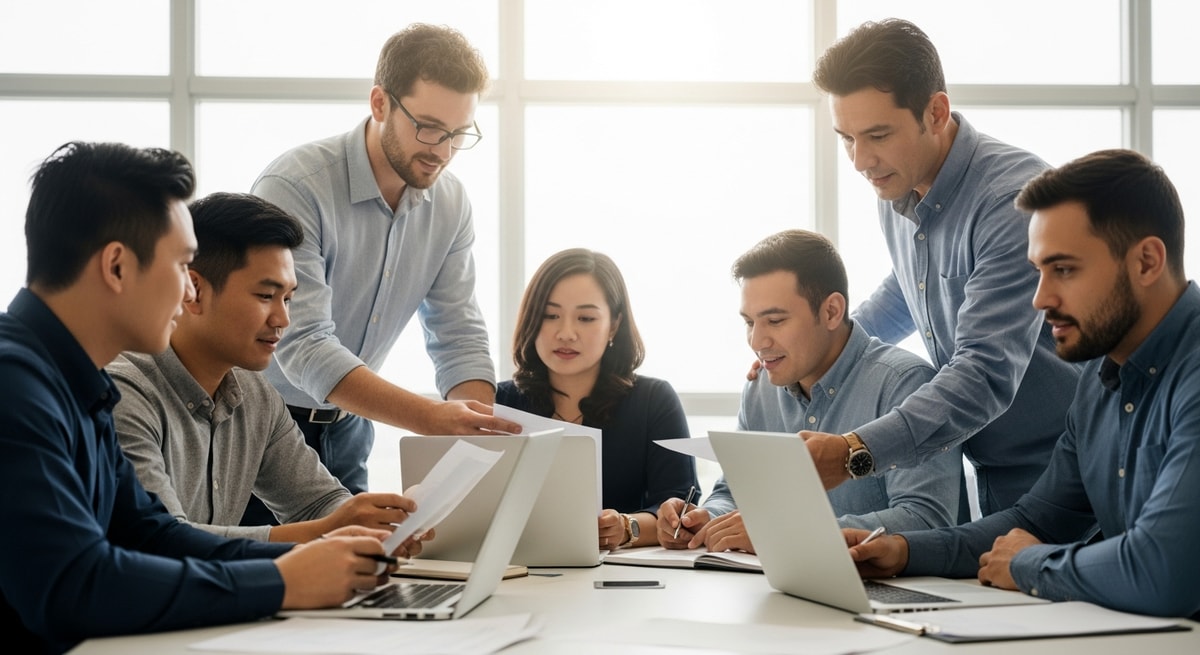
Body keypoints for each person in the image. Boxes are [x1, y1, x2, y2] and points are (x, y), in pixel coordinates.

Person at [0, 142, 397, 653]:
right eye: (182, 267)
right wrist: (284, 582)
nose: (190, 293)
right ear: (117, 266)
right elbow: (74, 586)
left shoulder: (75, 380)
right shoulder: (15, 386)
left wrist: (306, 562)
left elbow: (151, 534)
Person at [847, 149, 1200, 619]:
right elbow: (1035, 520)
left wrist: (1030, 564)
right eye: (1039, 272)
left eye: (1065, 270)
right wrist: (902, 551)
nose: (1040, 299)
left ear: (1147, 261)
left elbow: (1161, 572)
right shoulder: (1098, 381)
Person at [796, 18, 1081, 517]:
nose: (861, 161)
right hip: (989, 468)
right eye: (846, 139)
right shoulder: (896, 181)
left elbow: (985, 371)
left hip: (1068, 472)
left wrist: (854, 452)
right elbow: (911, 289)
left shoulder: (1012, 202)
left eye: (878, 135)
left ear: (936, 111)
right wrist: (819, 345)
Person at [251, 23, 521, 502]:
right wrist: (428, 417)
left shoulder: (451, 204)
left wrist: (477, 433)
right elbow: (304, 343)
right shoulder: (296, 186)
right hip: (259, 426)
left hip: (351, 428)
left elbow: (458, 333)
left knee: (359, 570)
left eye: (458, 134)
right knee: (259, 572)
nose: (442, 151)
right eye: (429, 128)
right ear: (380, 103)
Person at [109, 192, 430, 551]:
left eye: (288, 298)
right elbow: (156, 541)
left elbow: (317, 503)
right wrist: (327, 532)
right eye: (265, 296)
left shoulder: (255, 394)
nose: (283, 320)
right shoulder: (122, 394)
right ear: (193, 290)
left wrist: (381, 524)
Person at [658, 230, 960, 554]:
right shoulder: (761, 388)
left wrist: (783, 533)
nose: (757, 342)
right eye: (749, 322)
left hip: (884, 591)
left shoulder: (905, 383)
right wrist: (704, 518)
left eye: (774, 320)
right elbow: (734, 491)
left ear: (831, 311)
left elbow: (926, 520)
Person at [495, 249, 698, 550]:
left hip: (619, 578)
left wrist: (626, 528)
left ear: (613, 325)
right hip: (516, 571)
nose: (566, 333)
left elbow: (678, 510)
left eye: (586, 318)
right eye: (550, 315)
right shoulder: (500, 400)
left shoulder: (653, 400)